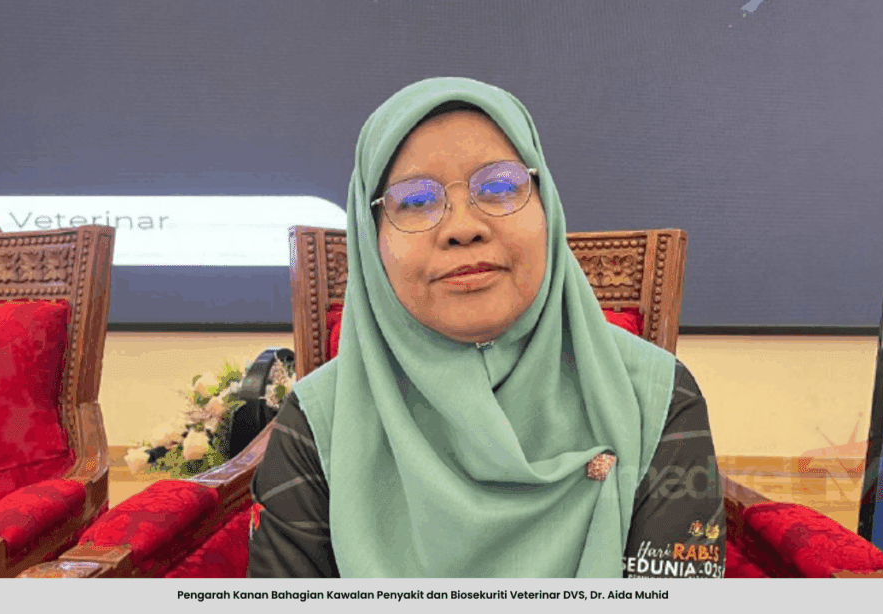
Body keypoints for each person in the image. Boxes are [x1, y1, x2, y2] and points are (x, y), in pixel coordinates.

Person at [248, 77, 725, 578]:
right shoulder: (317, 425)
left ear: (547, 207)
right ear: (372, 240)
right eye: (415, 201)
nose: (462, 228)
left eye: (498, 187)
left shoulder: (657, 399)